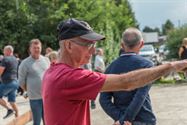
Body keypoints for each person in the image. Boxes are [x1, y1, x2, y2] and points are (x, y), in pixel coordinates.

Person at [42, 18, 187, 125]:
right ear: (68, 45)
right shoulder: (70, 77)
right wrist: (170, 66)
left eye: (94, 45)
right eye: (88, 44)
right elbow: (125, 83)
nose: (93, 50)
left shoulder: (53, 71)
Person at [99, 28, 156, 125]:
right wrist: (126, 119)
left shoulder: (110, 68)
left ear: (122, 45)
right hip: (143, 118)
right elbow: (140, 96)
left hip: (120, 119)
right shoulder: (147, 65)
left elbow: (103, 99)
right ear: (141, 44)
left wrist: (120, 118)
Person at [18, 39, 50, 125]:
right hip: (35, 98)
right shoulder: (24, 63)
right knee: (37, 122)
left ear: (41, 48)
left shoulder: (46, 60)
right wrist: (29, 91)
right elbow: (21, 81)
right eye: (34, 48)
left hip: (47, 97)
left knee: (48, 121)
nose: (36, 49)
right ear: (30, 49)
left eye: (38, 47)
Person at [0, 45, 19, 119]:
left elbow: (1, 70)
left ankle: (9, 109)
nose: (3, 52)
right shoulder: (15, 59)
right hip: (15, 82)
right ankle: (17, 116)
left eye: (4, 51)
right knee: (12, 101)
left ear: (8, 51)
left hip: (8, 82)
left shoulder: (5, 59)